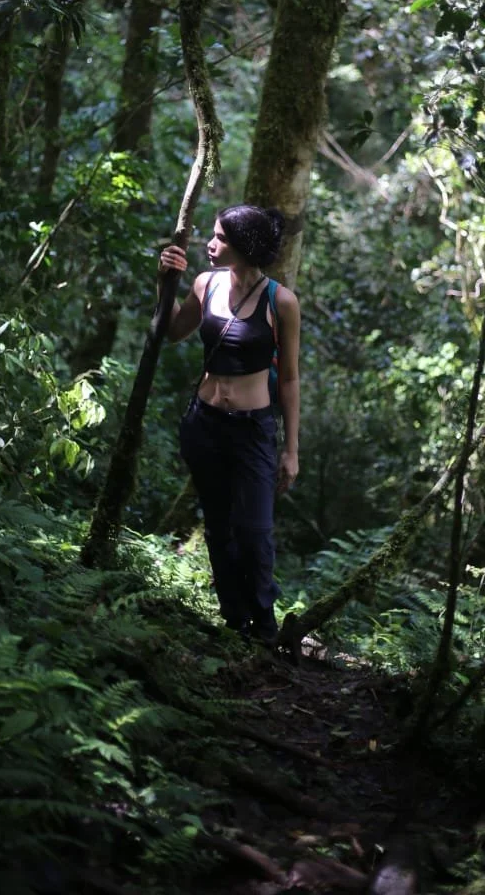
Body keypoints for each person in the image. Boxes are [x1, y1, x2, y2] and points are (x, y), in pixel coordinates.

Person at [158, 205, 300, 643]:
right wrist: (167, 282)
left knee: (254, 531)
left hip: (253, 430)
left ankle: (265, 624)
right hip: (205, 426)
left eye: (220, 237)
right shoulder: (205, 283)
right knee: (218, 526)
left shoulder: (281, 301)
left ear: (244, 246)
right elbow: (171, 332)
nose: (211, 243)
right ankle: (234, 619)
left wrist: (291, 450)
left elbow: (291, 378)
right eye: (213, 234)